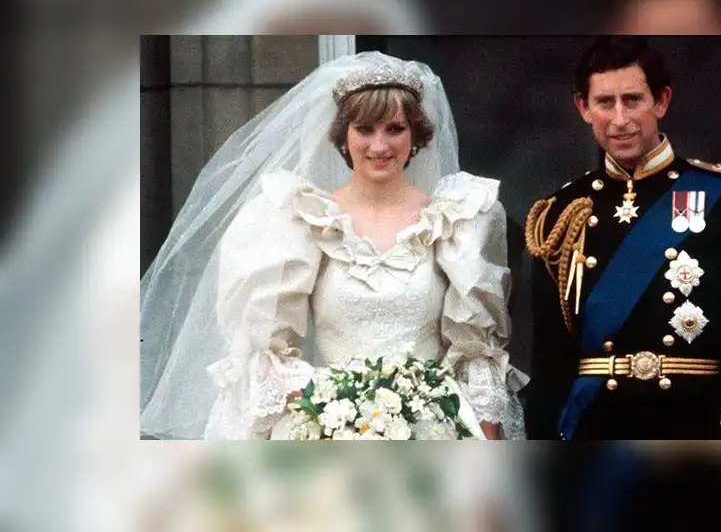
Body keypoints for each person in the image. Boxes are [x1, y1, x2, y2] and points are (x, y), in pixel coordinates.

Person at [140, 51, 527, 440]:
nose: (379, 145)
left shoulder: (456, 221)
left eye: (394, 128)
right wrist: (331, 405)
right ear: (344, 134)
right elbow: (265, 354)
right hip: (330, 427)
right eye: (365, 128)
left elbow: (475, 356)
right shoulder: (300, 220)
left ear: (417, 134)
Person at [523, 36, 721, 440]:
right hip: (593, 424)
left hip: (698, 423)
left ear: (661, 102)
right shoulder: (562, 210)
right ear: (583, 108)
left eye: (633, 100)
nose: (620, 119)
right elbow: (551, 360)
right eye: (605, 103)